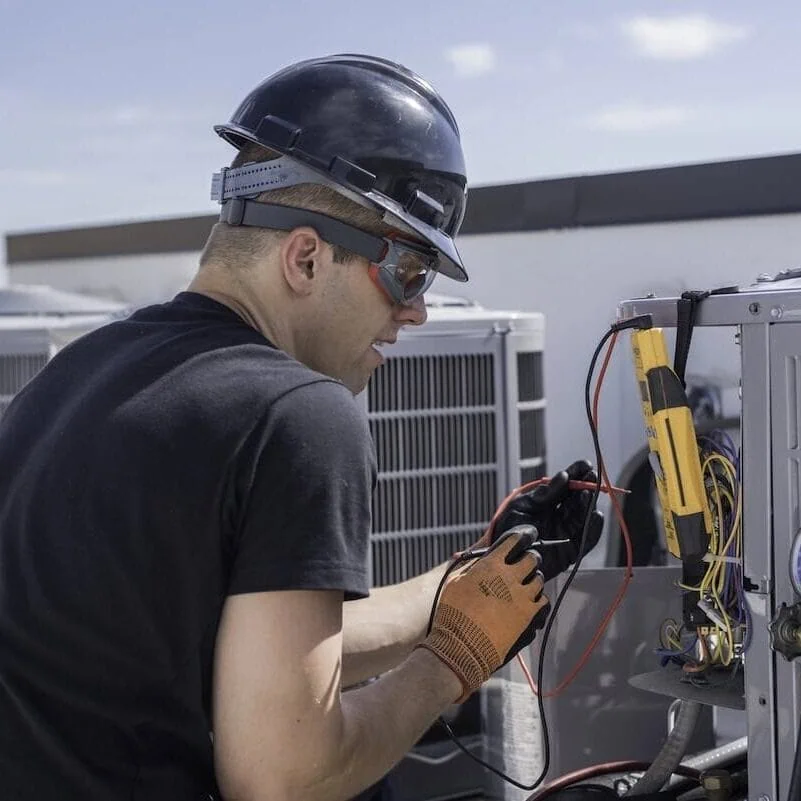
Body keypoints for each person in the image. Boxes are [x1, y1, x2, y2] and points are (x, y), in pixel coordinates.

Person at [0, 54, 602, 801]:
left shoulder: (72, 377)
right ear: (306, 257)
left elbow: (253, 657)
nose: (416, 311)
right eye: (408, 272)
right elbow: (285, 777)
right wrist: (453, 658)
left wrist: (474, 577)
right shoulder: (297, 415)